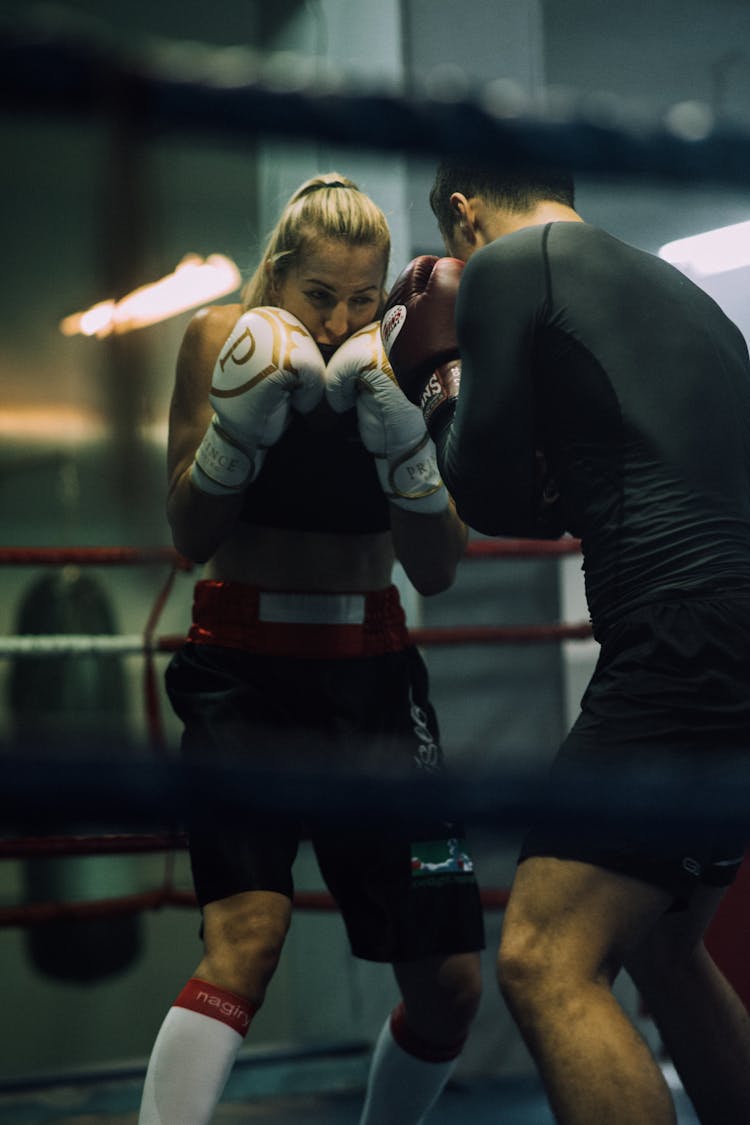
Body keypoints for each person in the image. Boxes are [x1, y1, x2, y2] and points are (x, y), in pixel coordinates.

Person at [382, 159, 750, 1125]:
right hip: (730, 632)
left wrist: (434, 376)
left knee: (544, 959)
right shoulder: (671, 287)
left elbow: (493, 499)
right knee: (667, 946)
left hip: (681, 633)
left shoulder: (512, 265)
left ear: (462, 214)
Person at [138, 171, 485, 1125]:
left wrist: (408, 454)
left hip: (373, 677)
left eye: (362, 299)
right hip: (241, 674)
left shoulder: (411, 360)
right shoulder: (218, 337)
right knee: (247, 939)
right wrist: (235, 439)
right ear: (279, 275)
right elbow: (188, 533)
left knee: (452, 981)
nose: (338, 322)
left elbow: (441, 565)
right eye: (318, 296)